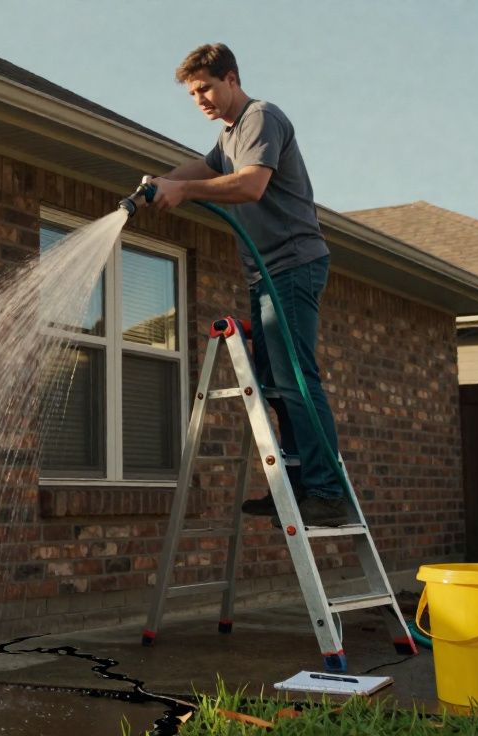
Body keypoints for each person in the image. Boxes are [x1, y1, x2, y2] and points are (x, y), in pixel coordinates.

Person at [149, 43, 351, 527]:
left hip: (293, 265)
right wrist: (158, 183)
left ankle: (326, 490)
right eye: (193, 93)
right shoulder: (229, 136)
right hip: (267, 272)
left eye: (206, 88)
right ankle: (299, 487)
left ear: (232, 78)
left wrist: (184, 192)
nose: (200, 99)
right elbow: (200, 169)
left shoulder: (261, 118)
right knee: (277, 385)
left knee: (297, 379)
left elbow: (249, 185)